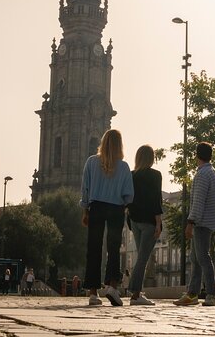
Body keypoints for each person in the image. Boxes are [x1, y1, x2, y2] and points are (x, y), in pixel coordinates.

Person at [80, 129, 134, 306]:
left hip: (96, 207)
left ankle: (93, 292)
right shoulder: (124, 167)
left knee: (94, 249)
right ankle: (112, 286)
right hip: (116, 208)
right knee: (113, 248)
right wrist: (123, 204)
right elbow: (129, 195)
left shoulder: (91, 162)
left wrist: (85, 210)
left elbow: (85, 189)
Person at [174, 142, 215, 307]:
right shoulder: (214, 173)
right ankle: (192, 293)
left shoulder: (202, 175)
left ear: (197, 155)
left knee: (202, 258)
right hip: (209, 220)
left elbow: (198, 202)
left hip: (201, 222)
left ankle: (210, 294)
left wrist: (190, 222)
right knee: (195, 258)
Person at [126, 145, 163, 306]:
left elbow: (127, 198)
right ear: (151, 158)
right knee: (142, 258)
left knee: (140, 257)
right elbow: (156, 200)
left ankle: (135, 292)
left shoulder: (131, 175)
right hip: (149, 222)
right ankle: (135, 294)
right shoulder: (155, 175)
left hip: (134, 220)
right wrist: (158, 222)